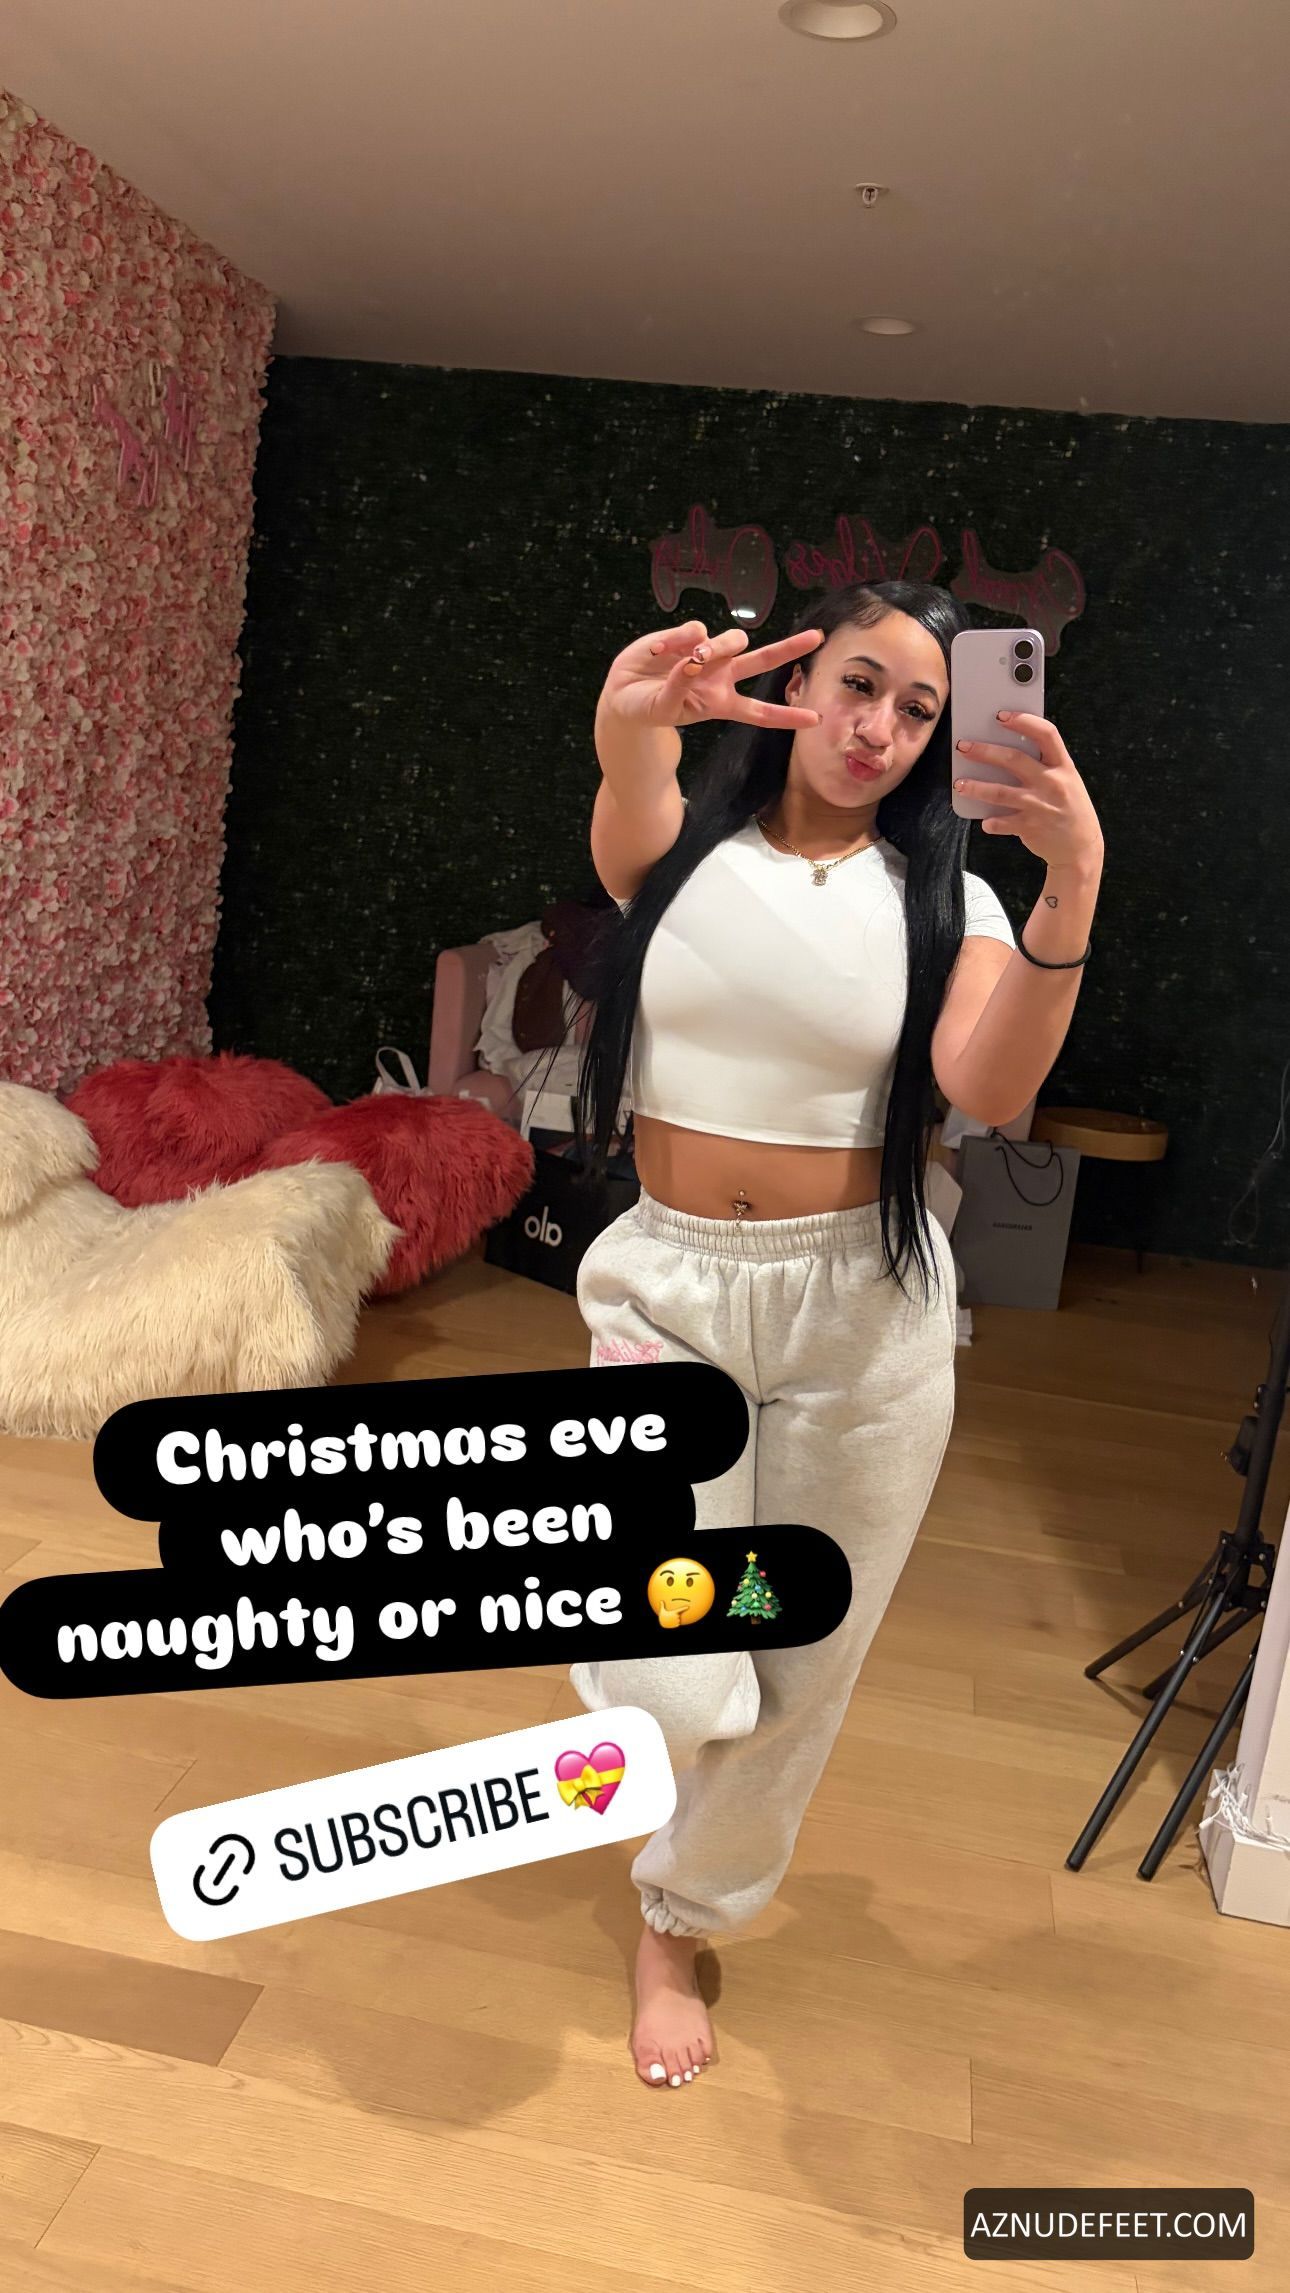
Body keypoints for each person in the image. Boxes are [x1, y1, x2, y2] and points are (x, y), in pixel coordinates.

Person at [567, 579, 1105, 2091]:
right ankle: (689, 1686)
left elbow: (990, 1092)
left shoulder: (949, 905)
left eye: (919, 709)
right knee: (677, 1664)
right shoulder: (678, 856)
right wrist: (628, 718)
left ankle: (675, 1919)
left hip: (860, 1314)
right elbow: (634, 778)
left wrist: (1071, 882)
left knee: (799, 1661)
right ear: (800, 683)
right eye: (859, 683)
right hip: (669, 1290)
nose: (879, 728)